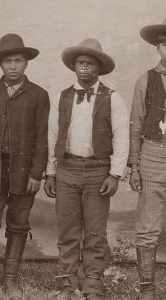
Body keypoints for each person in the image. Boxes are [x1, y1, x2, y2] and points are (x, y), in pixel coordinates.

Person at [44, 39, 129, 299]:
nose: (84, 68)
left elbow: (121, 137)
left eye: (90, 64)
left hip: (98, 171)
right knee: (68, 229)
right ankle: (66, 283)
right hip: (67, 169)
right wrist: (51, 172)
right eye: (81, 63)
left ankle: (93, 284)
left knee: (94, 231)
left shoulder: (113, 99)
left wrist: (115, 174)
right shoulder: (62, 96)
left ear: (99, 69)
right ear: (74, 66)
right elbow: (53, 135)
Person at [0, 33, 50, 299]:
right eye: (7, 61)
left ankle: (10, 280)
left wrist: (37, 171)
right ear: (0, 65)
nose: (13, 66)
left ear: (26, 63)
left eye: (18, 61)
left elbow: (42, 136)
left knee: (18, 224)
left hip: (23, 172)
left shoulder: (38, 95)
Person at [129, 18, 166, 300]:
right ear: (158, 47)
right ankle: (147, 288)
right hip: (154, 154)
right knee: (148, 226)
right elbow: (136, 126)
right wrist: (135, 166)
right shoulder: (146, 80)